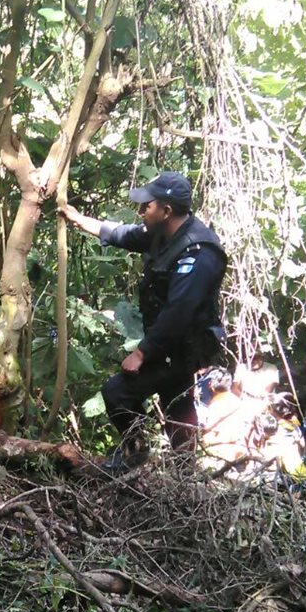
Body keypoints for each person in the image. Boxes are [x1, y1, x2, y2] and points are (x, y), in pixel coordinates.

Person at [60, 171, 227, 470]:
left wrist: (142, 353)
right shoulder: (161, 235)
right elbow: (122, 233)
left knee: (117, 393)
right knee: (177, 403)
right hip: (170, 345)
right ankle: (184, 472)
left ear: (166, 210)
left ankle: (135, 457)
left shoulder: (198, 251)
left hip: (184, 346)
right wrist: (78, 219)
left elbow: (180, 311)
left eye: (146, 206)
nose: (141, 211)